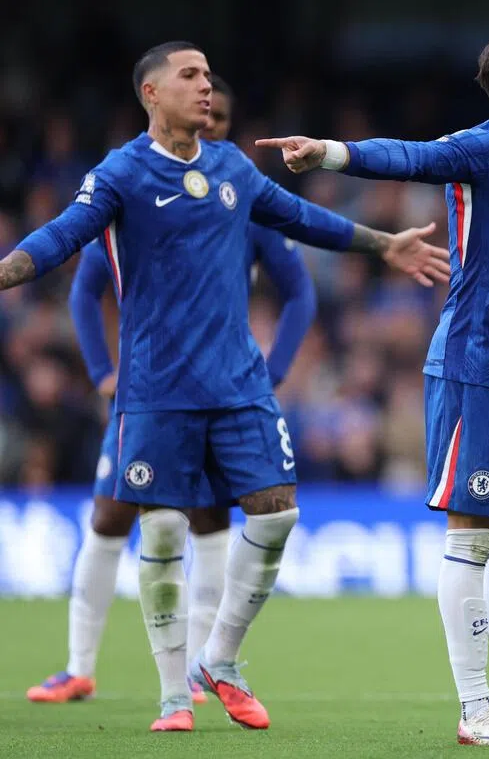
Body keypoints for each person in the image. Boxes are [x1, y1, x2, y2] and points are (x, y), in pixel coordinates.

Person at [3, 41, 450, 732]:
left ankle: (221, 657)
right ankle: (170, 698)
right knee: (158, 529)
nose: (205, 86)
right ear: (151, 93)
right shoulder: (120, 173)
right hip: (155, 391)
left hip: (239, 383)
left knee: (276, 512)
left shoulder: (232, 166)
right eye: (189, 76)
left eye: (209, 75)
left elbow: (302, 219)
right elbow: (64, 239)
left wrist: (382, 243)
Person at [257, 27, 489, 746]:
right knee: (471, 542)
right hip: (472, 368)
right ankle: (473, 707)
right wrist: (331, 152)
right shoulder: (486, 149)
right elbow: (410, 157)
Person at [26, 75, 317, 708]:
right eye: (201, 118)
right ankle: (80, 665)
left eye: (218, 124)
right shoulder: (135, 192)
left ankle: (202, 668)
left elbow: (300, 290)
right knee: (113, 516)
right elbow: (86, 286)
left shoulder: (243, 200)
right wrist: (105, 372)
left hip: (225, 389)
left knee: (211, 522)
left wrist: (271, 376)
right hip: (153, 388)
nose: (207, 130)